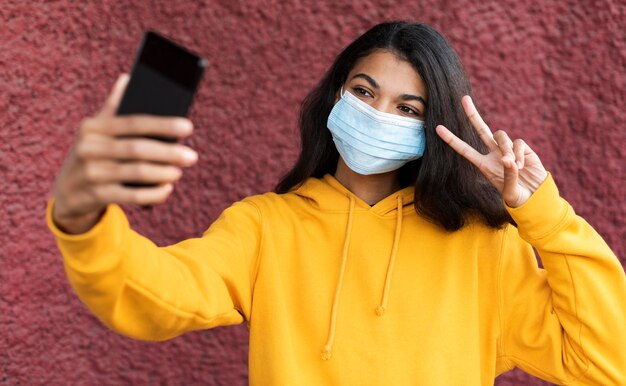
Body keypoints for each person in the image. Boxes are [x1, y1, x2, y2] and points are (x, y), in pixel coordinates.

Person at [47, 22, 626, 385]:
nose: (378, 115)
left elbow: (606, 362)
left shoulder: (485, 246)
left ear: (437, 127)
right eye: (364, 92)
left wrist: (544, 217)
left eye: (409, 108)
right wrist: (84, 217)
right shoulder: (265, 227)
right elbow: (150, 297)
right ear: (335, 98)